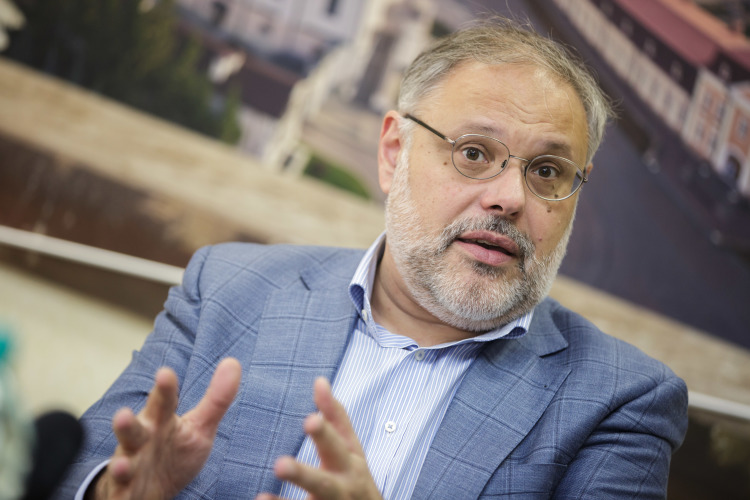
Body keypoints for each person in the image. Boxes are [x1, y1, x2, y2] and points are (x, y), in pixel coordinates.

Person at [56, 17, 688, 500]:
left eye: (547, 170)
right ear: (393, 154)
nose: (510, 198)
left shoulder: (621, 401)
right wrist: (111, 493)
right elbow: (67, 471)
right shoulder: (226, 286)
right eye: (473, 153)